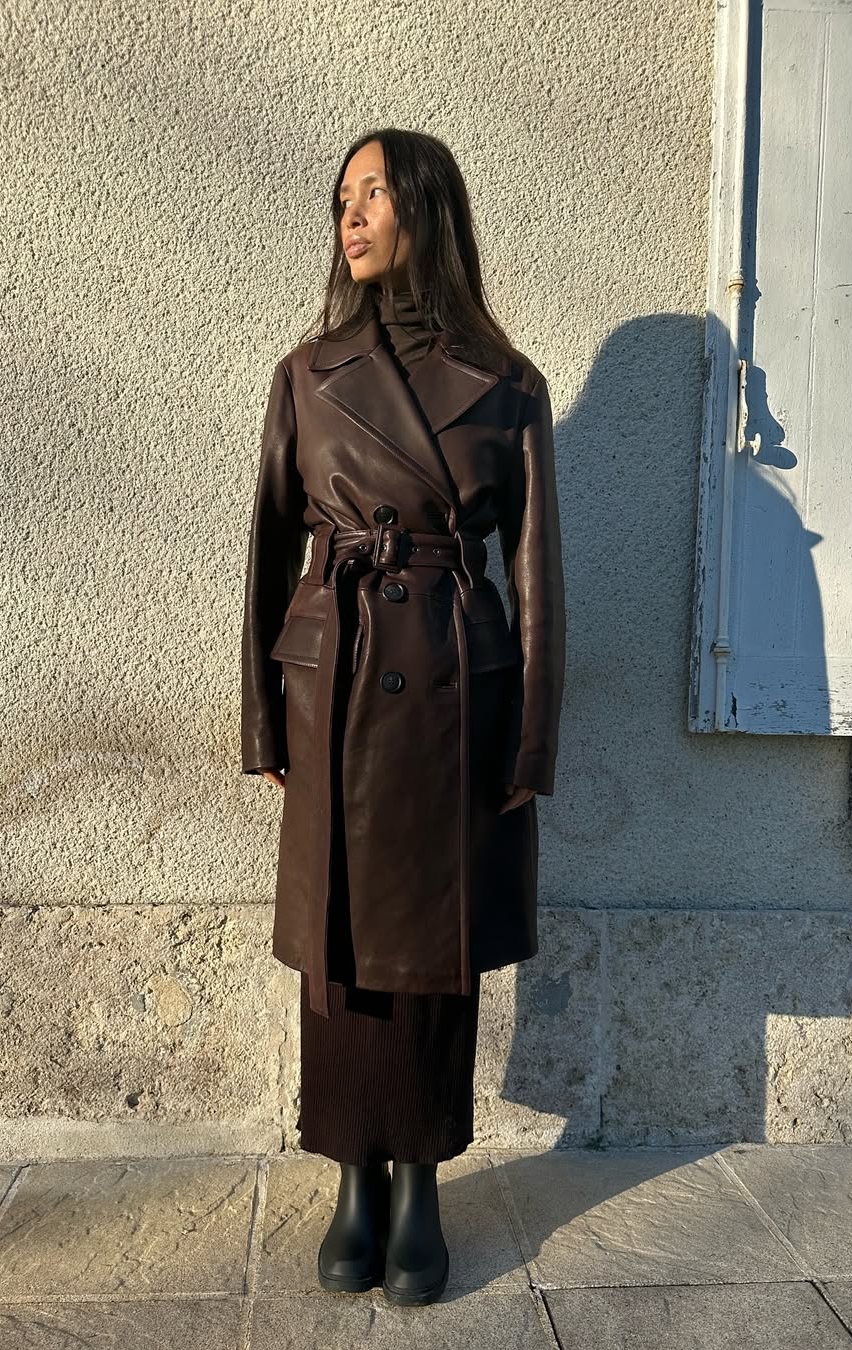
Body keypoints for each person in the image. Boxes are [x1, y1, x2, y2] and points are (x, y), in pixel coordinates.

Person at [240, 128, 565, 1305]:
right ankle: (352, 1177)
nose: (352, 214)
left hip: (454, 690)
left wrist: (533, 734)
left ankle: (421, 1177)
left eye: (374, 192)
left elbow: (534, 571)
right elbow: (272, 550)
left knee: (435, 945)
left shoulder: (509, 383)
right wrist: (263, 721)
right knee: (340, 943)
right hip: (335, 684)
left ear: (426, 204)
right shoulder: (308, 371)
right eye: (342, 198)